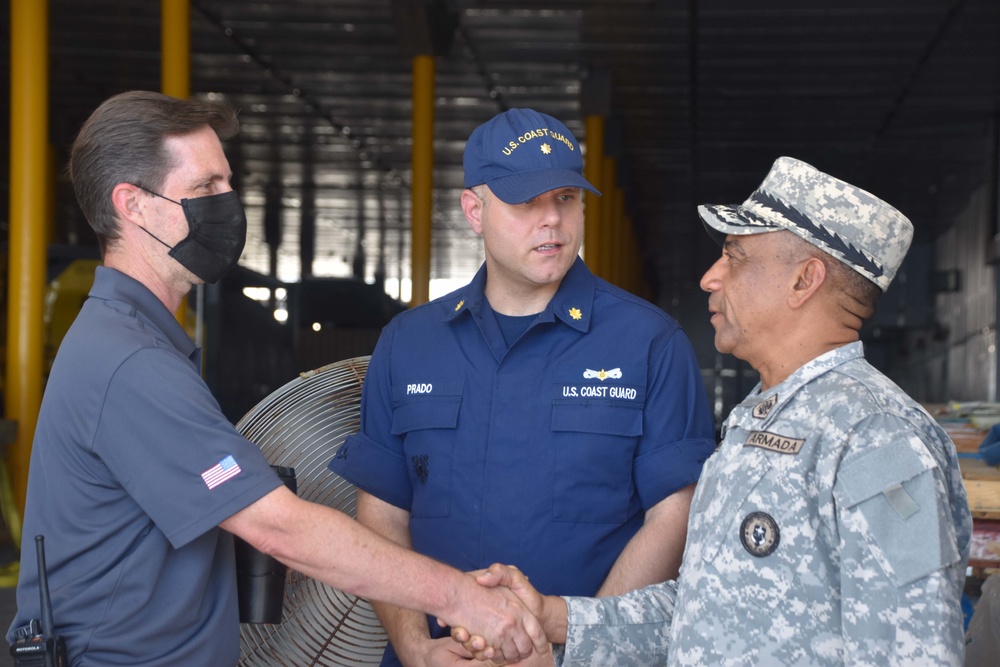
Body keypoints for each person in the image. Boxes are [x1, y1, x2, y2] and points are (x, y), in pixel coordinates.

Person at [6, 91, 547, 667]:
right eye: (205, 188)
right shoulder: (128, 362)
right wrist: (464, 599)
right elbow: (278, 528)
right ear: (132, 205)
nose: (228, 204)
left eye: (227, 183)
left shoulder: (136, 341)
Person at [459, 156, 973, 666]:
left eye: (735, 257)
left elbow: (915, 653)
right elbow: (704, 610)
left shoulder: (877, 436)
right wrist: (554, 620)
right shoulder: (759, 418)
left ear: (803, 281)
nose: (710, 277)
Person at [328, 108, 716, 666]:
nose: (552, 221)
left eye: (565, 199)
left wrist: (584, 653)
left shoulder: (648, 343)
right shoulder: (408, 343)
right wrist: (416, 648)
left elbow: (676, 514)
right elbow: (384, 513)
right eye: (526, 202)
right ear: (473, 210)